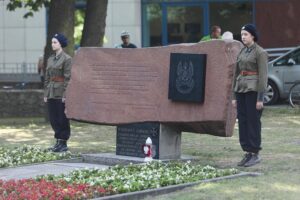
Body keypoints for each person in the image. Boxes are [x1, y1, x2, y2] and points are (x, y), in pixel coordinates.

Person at [231, 24, 268, 167]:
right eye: (242, 34)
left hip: (253, 90)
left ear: (253, 35)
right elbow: (236, 74)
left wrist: (260, 98)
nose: (243, 37)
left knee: (253, 122)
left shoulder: (260, 52)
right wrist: (234, 96)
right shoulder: (242, 52)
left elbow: (263, 77)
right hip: (241, 90)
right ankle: (247, 151)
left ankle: (255, 153)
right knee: (243, 121)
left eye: (246, 34)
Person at [44, 33, 72, 152]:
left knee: (62, 118)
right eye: (52, 42)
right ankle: (57, 141)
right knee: (53, 118)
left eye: (55, 42)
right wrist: (46, 93)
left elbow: (68, 78)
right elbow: (47, 77)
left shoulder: (67, 59)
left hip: (61, 92)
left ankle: (63, 143)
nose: (52, 44)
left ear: (61, 44)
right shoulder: (50, 59)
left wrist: (66, 95)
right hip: (51, 91)